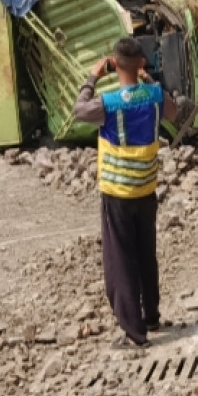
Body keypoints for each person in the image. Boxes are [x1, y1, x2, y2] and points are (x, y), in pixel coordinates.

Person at [72, 38, 180, 348]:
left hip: (117, 192)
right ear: (142, 65)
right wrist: (149, 80)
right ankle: (151, 316)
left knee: (121, 260)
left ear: (114, 65)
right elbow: (173, 112)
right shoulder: (155, 97)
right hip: (145, 190)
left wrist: (92, 77)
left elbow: (80, 111)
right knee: (146, 254)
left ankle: (134, 332)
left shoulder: (109, 103)